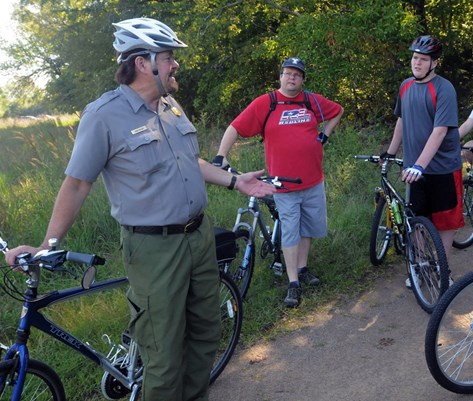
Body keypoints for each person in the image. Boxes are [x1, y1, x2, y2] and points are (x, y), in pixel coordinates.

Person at [3, 17, 275, 401]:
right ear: (144, 63)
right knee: (162, 357)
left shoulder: (170, 105)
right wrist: (48, 243)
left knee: (205, 334)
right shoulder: (103, 115)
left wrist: (235, 180)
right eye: (168, 57)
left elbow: (190, 161)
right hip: (154, 249)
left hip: (198, 237)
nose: (175, 64)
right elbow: (78, 183)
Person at [214, 57, 344, 308]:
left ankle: (303, 268)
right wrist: (220, 156)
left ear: (303, 79)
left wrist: (324, 136)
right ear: (280, 77)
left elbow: (337, 110)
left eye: (297, 74)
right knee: (291, 231)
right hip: (283, 185)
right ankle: (293, 282)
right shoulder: (267, 103)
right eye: (288, 73)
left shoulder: (311, 100)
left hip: (313, 180)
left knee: (308, 228)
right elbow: (235, 127)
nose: (292, 77)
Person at [381, 35, 462, 288]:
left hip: (442, 168)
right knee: (416, 219)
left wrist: (419, 165)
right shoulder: (405, 86)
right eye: (415, 57)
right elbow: (401, 121)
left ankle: (443, 269)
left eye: (423, 59)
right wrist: (391, 153)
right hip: (414, 170)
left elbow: (439, 131)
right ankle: (420, 267)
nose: (417, 62)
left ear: (434, 63)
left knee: (445, 223)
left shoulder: (443, 88)